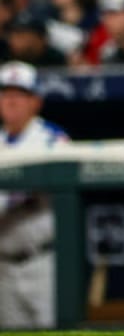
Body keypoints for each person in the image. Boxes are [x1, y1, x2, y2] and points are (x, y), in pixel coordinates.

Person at [0, 61, 68, 329]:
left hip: (42, 262)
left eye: (20, 94)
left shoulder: (51, 139)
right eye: (6, 94)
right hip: (4, 265)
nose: (11, 101)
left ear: (35, 101)